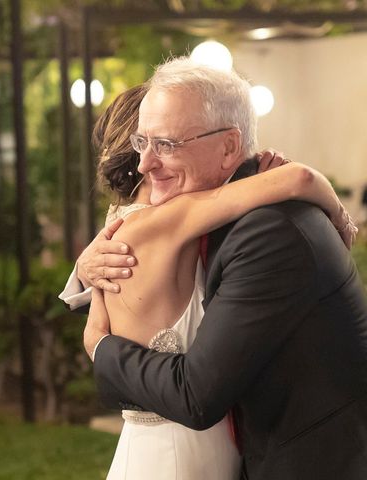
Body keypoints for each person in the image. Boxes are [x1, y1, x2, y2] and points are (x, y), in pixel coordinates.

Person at [63, 58, 367, 479]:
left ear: (228, 148)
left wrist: (99, 345)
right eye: (142, 142)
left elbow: (196, 394)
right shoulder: (212, 215)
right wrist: (86, 268)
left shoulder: (266, 231)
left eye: (167, 144)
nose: (146, 163)